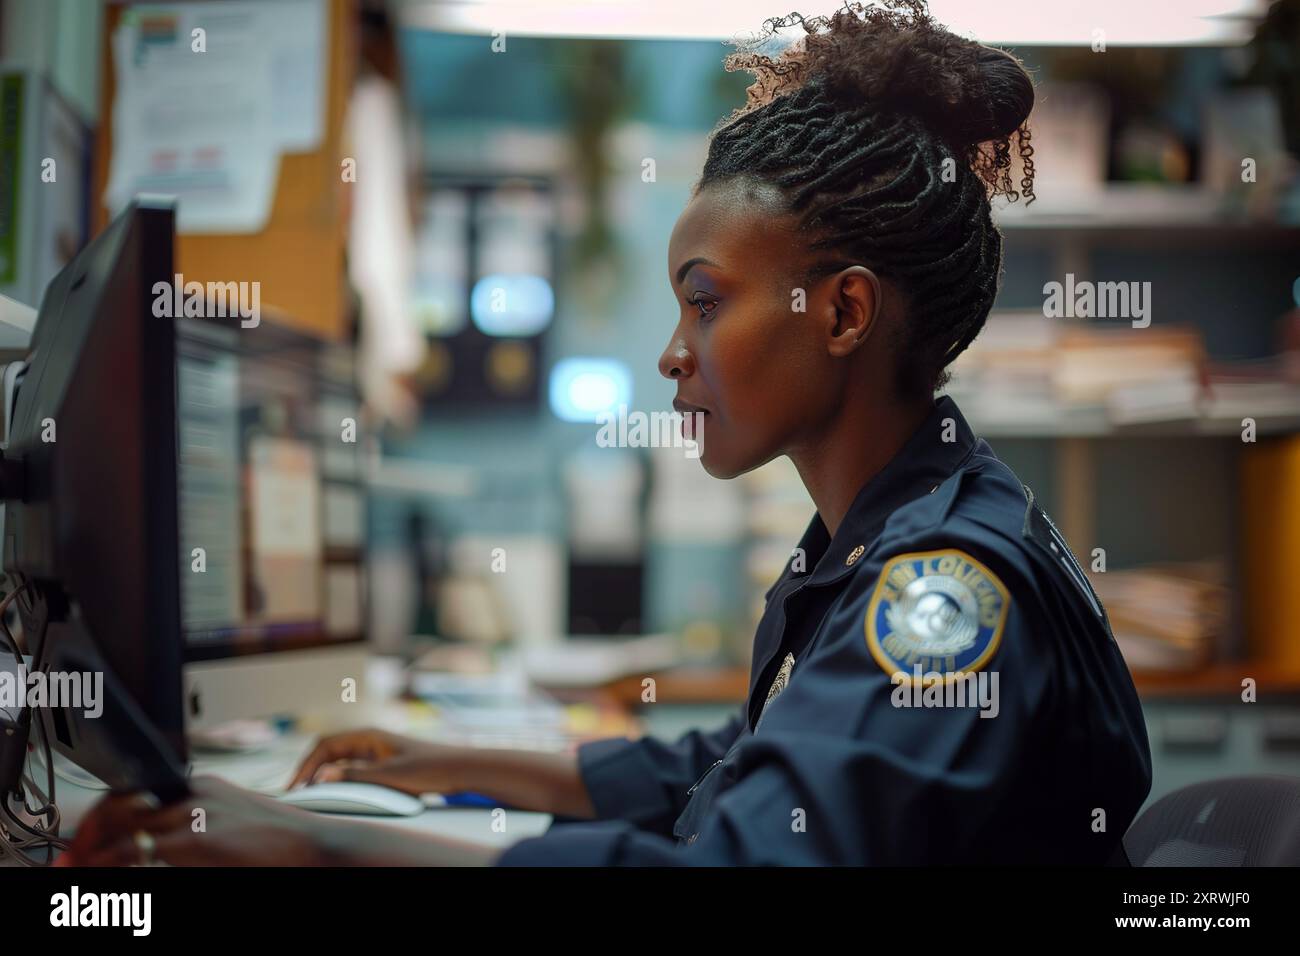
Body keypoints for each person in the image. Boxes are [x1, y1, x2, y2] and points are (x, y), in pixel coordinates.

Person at [58, 0, 1151, 867]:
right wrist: (437, 763)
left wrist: (318, 840)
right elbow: (728, 770)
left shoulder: (942, 592)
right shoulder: (877, 539)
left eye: (706, 300)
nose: (673, 352)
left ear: (845, 313)